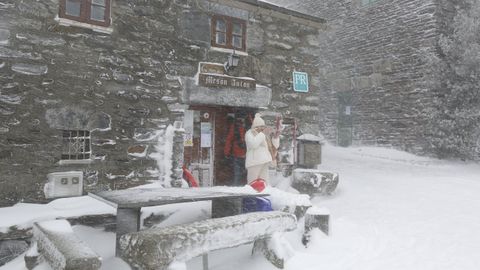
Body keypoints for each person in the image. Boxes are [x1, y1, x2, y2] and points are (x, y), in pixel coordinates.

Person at [245, 113, 280, 185]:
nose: (262, 128)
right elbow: (253, 145)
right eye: (260, 126)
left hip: (264, 160)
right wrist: (262, 134)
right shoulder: (249, 133)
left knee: (265, 183)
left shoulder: (264, 134)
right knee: (252, 183)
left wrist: (275, 137)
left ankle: (263, 194)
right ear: (255, 126)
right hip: (254, 162)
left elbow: (274, 146)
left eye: (263, 126)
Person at [224, 117, 247, 186]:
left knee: (238, 174)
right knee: (242, 174)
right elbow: (229, 140)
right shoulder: (248, 127)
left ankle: (237, 187)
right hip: (243, 155)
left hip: (239, 154)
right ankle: (242, 187)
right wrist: (226, 152)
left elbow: (229, 140)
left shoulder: (234, 127)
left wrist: (226, 152)